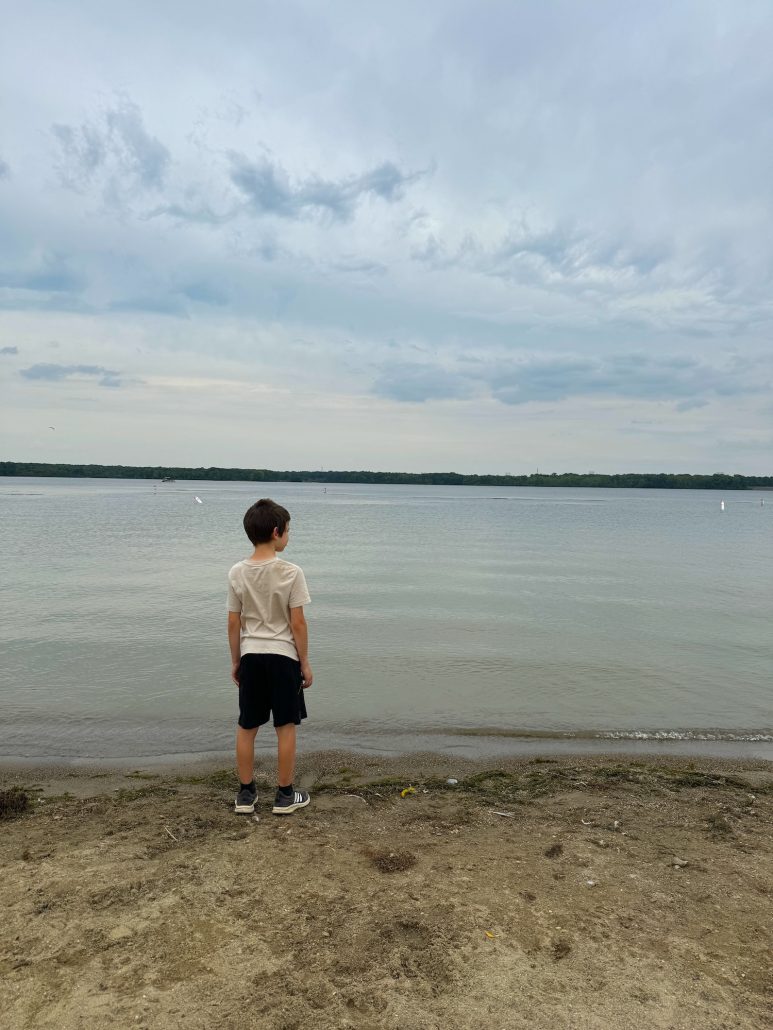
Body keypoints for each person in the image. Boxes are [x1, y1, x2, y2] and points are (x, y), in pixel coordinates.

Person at [227, 498, 313, 816]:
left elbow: (233, 622)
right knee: (285, 726)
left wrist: (236, 661)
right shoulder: (291, 572)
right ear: (277, 533)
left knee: (247, 726)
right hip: (283, 657)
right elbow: (298, 623)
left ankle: (246, 794)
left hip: (251, 656)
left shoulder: (237, 572)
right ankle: (285, 795)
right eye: (288, 531)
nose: (288, 536)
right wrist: (304, 662)